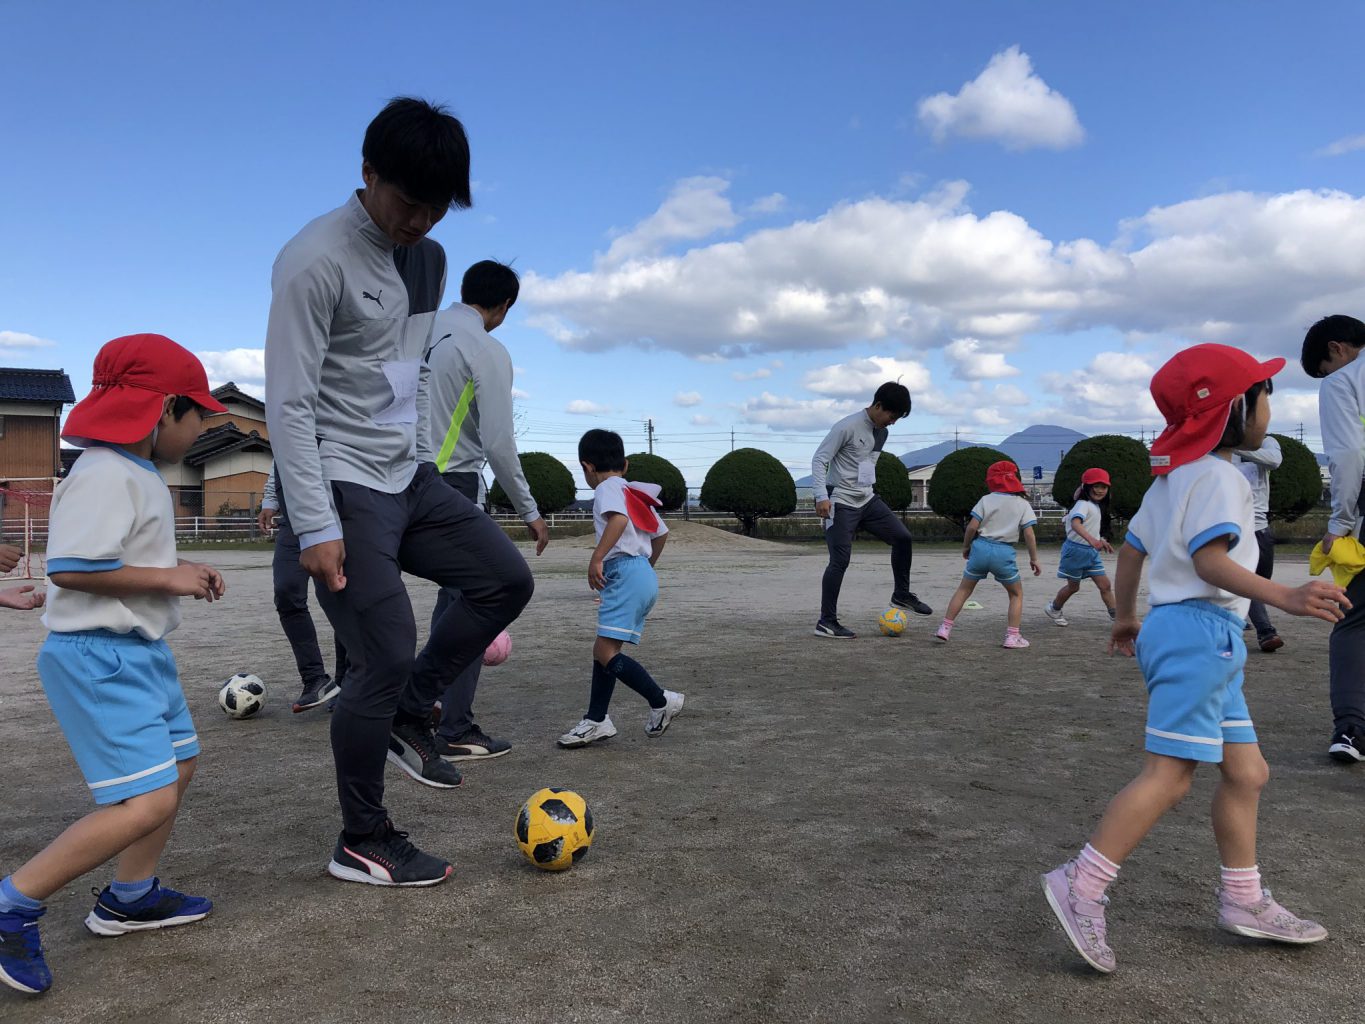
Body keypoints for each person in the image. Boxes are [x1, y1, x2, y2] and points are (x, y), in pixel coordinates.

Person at [265, 97, 534, 887]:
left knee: (502, 579)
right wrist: (313, 524)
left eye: (436, 205)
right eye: (405, 200)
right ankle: (363, 836)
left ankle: (414, 715)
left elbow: (406, 374)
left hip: (405, 475)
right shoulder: (314, 260)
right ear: (366, 172)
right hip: (341, 480)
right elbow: (287, 403)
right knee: (379, 654)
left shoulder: (429, 258)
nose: (419, 219)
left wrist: (418, 460)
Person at [1042, 343, 1345, 975]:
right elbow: (1211, 563)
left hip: (1196, 636)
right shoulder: (1221, 477)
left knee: (1248, 771)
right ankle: (1082, 884)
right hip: (1203, 634)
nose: (1270, 403)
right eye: (1264, 393)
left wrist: (1127, 618)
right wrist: (1285, 595)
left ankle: (1242, 898)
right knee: (1172, 774)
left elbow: (1131, 553)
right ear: (1236, 408)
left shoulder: (1174, 476)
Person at [0, 334, 228, 996]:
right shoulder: (105, 472)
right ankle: (13, 904)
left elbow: (90, 568)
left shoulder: (133, 473)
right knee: (142, 800)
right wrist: (173, 580)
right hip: (100, 660)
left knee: (180, 765)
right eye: (198, 416)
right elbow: (77, 567)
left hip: (136, 652)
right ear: (162, 410)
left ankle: (130, 895)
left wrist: (174, 572)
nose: (202, 428)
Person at [424, 260, 549, 761]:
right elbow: (498, 443)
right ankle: (454, 726)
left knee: (447, 600)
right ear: (503, 308)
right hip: (450, 482)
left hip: (389, 475)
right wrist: (530, 510)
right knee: (487, 592)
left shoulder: (420, 328)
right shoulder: (487, 348)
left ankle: (425, 701)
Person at [558, 429, 683, 748]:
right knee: (605, 650)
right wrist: (644, 569)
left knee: (604, 651)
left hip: (625, 572)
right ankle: (596, 719)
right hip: (639, 572)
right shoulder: (632, 490)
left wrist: (596, 558)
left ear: (587, 467)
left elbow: (618, 522)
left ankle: (660, 700)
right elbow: (661, 534)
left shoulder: (607, 488)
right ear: (625, 464)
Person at [811, 382, 930, 639]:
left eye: (897, 418)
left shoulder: (882, 433)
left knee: (903, 538)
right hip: (840, 500)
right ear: (877, 405)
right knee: (840, 560)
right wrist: (821, 496)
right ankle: (826, 621)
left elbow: (865, 466)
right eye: (891, 415)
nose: (893, 422)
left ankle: (901, 595)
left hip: (867, 499)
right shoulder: (846, 426)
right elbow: (820, 459)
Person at [1301, 314, 1365, 761]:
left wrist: (1339, 522)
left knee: (1352, 621)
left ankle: (1351, 730)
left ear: (1337, 350)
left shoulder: (1344, 379)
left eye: (1323, 368)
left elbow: (1348, 453)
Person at [258, 465, 349, 712]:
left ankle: (346, 683)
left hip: (338, 519)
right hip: (294, 521)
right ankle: (315, 679)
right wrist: (270, 500)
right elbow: (282, 456)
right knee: (287, 591)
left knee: (339, 597)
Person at [933, 461, 1040, 648]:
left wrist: (966, 547)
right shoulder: (1022, 504)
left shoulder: (986, 500)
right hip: (1004, 552)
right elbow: (1029, 534)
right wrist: (1034, 559)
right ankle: (1012, 637)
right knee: (1016, 594)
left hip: (980, 548)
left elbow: (972, 527)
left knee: (964, 589)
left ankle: (945, 627)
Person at [1044, 468, 1116, 625]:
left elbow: (1090, 528)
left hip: (1091, 553)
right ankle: (1054, 608)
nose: (1099, 490)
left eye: (1103, 487)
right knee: (1073, 587)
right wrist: (1092, 540)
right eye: (1095, 486)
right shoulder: (1082, 504)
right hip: (1076, 552)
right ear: (1086, 487)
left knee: (1105, 585)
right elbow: (1076, 524)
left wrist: (1100, 540)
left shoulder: (1095, 506)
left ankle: (1117, 617)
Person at [1234, 436, 1283, 653]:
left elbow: (1274, 460)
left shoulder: (1266, 442)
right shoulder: (1216, 448)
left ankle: (1237, 613)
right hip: (1232, 528)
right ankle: (1266, 632)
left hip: (1260, 527)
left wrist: (1234, 445)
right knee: (1248, 581)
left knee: (1261, 582)